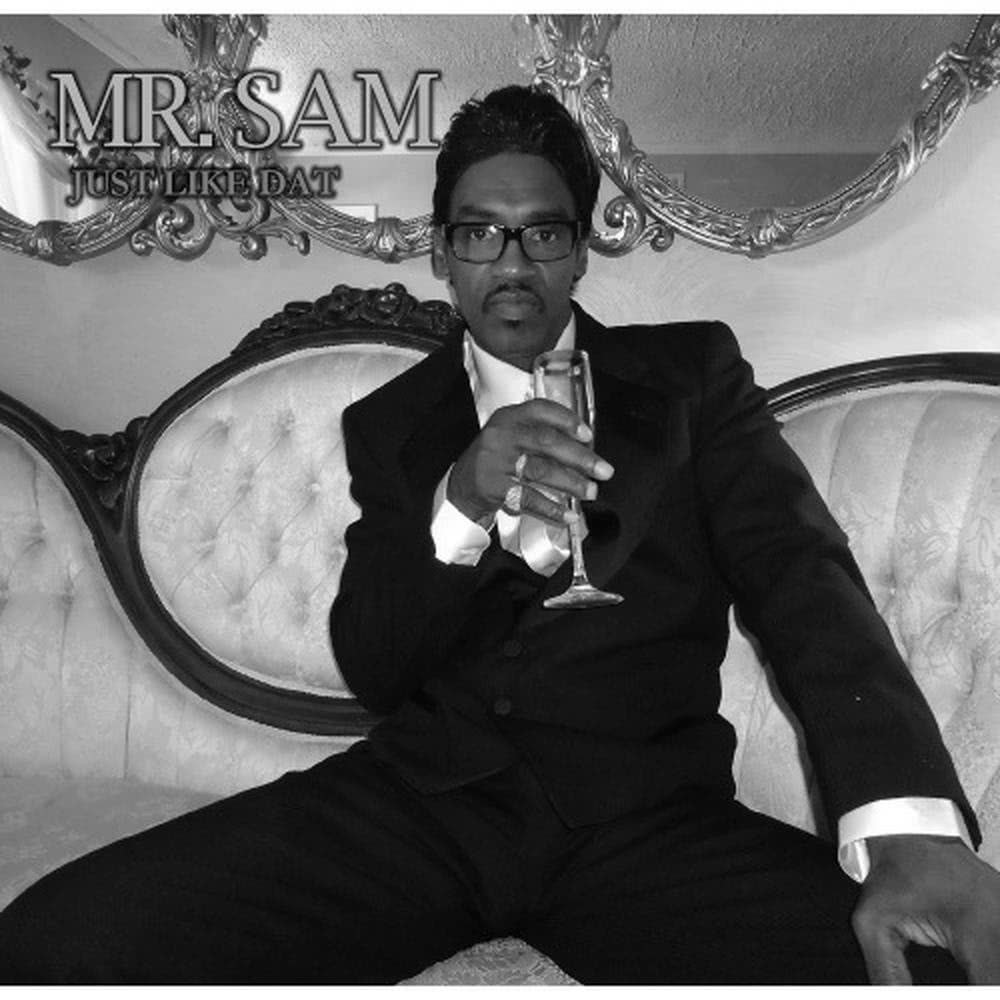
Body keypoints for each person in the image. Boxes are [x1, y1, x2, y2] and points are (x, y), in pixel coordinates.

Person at [1, 84, 998, 984]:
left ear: (579, 248)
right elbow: (376, 665)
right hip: (420, 808)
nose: (511, 263)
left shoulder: (690, 377)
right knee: (57, 940)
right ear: (442, 252)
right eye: (479, 232)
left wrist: (907, 823)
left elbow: (801, 578)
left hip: (645, 823)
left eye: (541, 232)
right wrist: (460, 502)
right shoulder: (390, 424)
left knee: (930, 968)